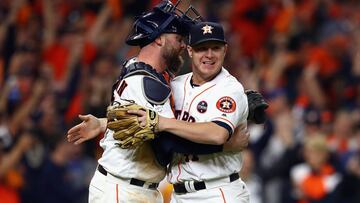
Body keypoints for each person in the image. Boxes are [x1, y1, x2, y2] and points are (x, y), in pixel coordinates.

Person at [66, 1, 194, 202]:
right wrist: (220, 136)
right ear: (159, 39)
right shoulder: (148, 84)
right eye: (178, 38)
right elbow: (170, 144)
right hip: (124, 190)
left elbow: (135, 120)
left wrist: (102, 123)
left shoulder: (134, 66)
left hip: (132, 187)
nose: (183, 46)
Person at [130, 21, 251, 203]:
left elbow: (217, 134)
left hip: (217, 192)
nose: (209, 55)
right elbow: (142, 118)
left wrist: (162, 122)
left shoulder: (229, 89)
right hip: (178, 194)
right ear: (190, 51)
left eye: (215, 48)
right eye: (202, 48)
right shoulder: (176, 85)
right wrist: (101, 123)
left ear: (225, 50)